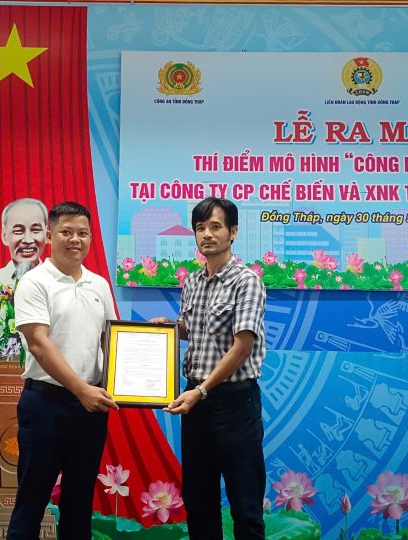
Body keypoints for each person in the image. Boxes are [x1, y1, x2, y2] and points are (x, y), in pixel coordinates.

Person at [152, 197, 267, 539]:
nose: (207, 235)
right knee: (198, 500)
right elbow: (195, 328)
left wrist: (202, 391)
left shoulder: (247, 282)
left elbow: (242, 345)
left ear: (233, 232)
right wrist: (172, 328)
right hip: (196, 401)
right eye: (200, 228)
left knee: (245, 504)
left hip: (234, 402)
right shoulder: (193, 282)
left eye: (216, 227)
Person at [6, 201, 119, 540]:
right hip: (46, 404)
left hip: (92, 406)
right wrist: (80, 390)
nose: (75, 240)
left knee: (80, 500)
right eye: (67, 232)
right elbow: (38, 344)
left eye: (83, 233)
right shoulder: (34, 282)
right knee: (32, 499)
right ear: (50, 235)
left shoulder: (99, 284)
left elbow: (111, 339)